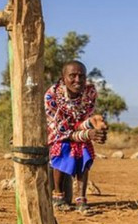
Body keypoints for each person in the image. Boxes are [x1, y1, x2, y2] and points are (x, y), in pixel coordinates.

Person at [44, 61, 108, 214]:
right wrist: (87, 134)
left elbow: (82, 121)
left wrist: (94, 126)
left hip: (74, 130)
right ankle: (58, 195)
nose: (77, 80)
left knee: (84, 149)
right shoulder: (52, 96)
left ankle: (81, 198)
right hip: (55, 133)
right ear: (63, 78)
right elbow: (60, 130)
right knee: (62, 147)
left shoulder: (89, 93)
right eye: (72, 76)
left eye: (81, 76)